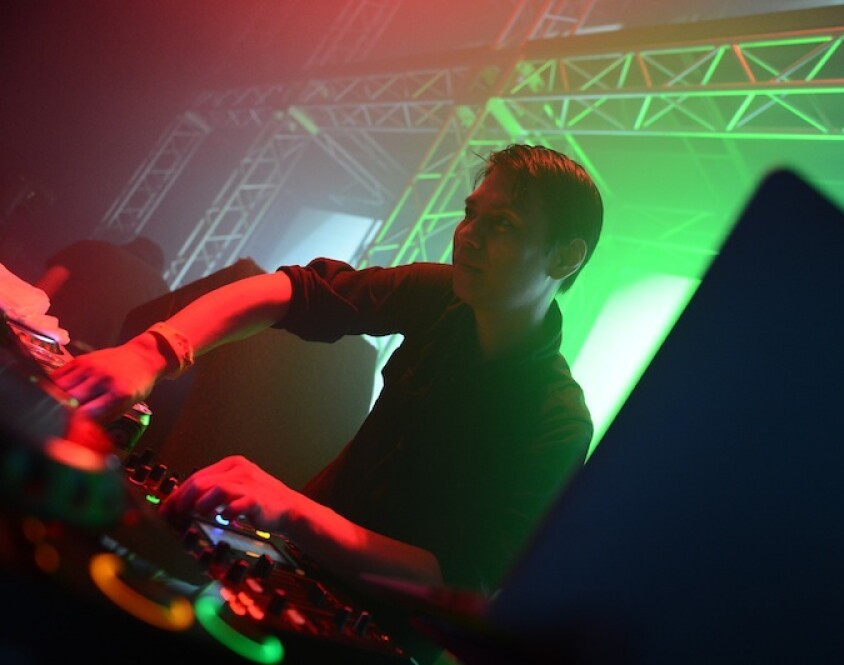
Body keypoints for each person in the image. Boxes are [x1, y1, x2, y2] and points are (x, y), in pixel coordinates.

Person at [51, 143, 602, 656]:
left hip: (374, 639)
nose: (469, 235)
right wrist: (152, 352)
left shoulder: (559, 423)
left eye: (502, 224)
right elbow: (297, 291)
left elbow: (457, 582)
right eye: (471, 212)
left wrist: (293, 511)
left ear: (565, 257)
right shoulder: (439, 295)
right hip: (289, 560)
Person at [35, 235, 170, 352]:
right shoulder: (162, 291)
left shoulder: (91, 248)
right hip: (96, 363)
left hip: (47, 338)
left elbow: (43, 291)